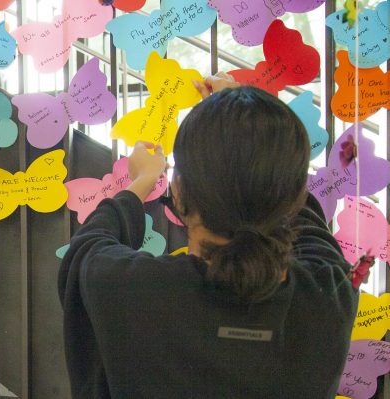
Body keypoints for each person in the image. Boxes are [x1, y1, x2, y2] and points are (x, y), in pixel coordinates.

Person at [58, 76, 358, 398]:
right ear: (293, 194)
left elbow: (88, 245)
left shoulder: (131, 290)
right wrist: (252, 132)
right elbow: (305, 217)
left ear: (179, 192)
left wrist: (144, 178)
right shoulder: (329, 293)